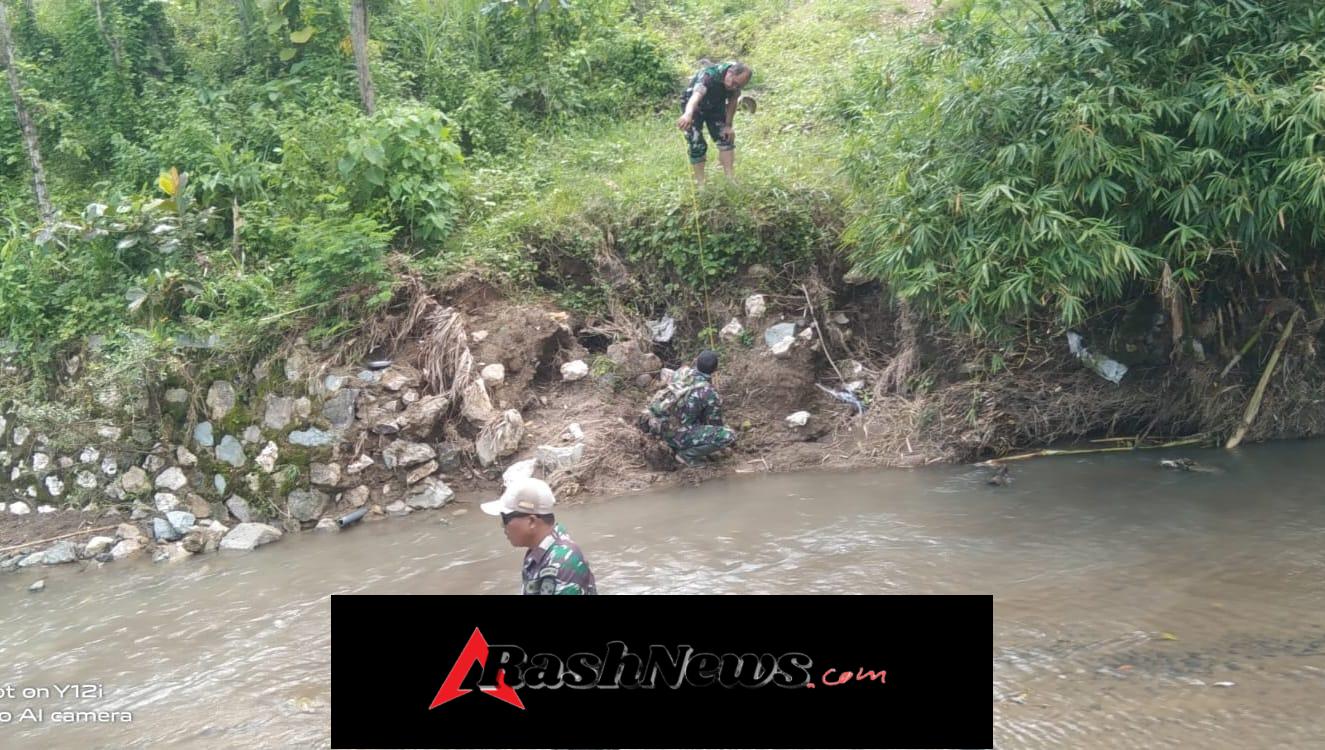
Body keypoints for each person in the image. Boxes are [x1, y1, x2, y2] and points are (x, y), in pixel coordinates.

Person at [481, 477, 598, 595]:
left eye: (505, 518)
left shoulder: (563, 561)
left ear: (531, 521)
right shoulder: (537, 552)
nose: (503, 526)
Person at [645, 350, 737, 467]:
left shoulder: (681, 372)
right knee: (728, 435)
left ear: (696, 362)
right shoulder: (709, 393)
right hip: (675, 435)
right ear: (715, 370)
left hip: (655, 425)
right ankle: (686, 455)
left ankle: (677, 442)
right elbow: (714, 424)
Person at [676, 60, 753, 186]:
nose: (734, 87)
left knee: (726, 137)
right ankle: (701, 184)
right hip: (694, 106)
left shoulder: (735, 82)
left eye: (738, 86)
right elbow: (695, 97)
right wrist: (688, 114)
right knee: (696, 143)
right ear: (730, 73)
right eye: (734, 83)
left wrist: (728, 125)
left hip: (715, 105)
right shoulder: (708, 77)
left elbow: (733, 100)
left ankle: (730, 179)